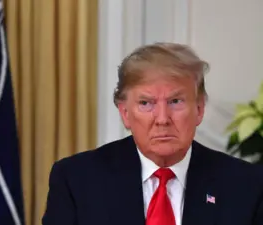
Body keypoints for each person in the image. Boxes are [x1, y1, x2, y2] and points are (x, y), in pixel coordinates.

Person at [42, 42, 263, 225]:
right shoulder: (77, 180)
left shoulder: (247, 186)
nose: (162, 119)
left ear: (199, 109)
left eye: (175, 101)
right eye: (146, 103)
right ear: (125, 113)